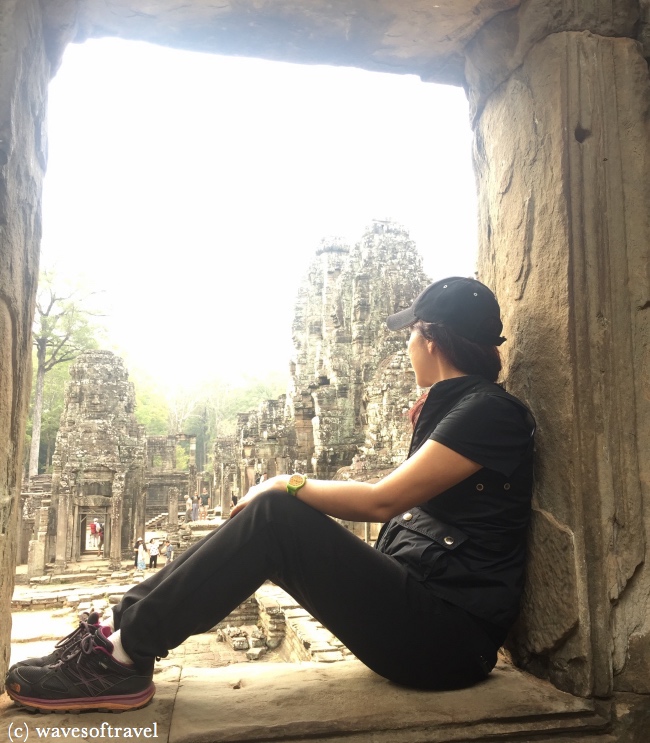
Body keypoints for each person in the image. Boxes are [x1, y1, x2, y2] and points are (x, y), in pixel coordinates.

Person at [5, 276, 535, 714]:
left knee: (277, 513)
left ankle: (120, 656)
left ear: (432, 340)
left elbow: (381, 503)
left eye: (411, 335)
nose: (407, 346)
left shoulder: (487, 411)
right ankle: (119, 631)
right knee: (273, 514)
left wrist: (288, 481)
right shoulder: (462, 407)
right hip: (422, 614)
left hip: (445, 640)